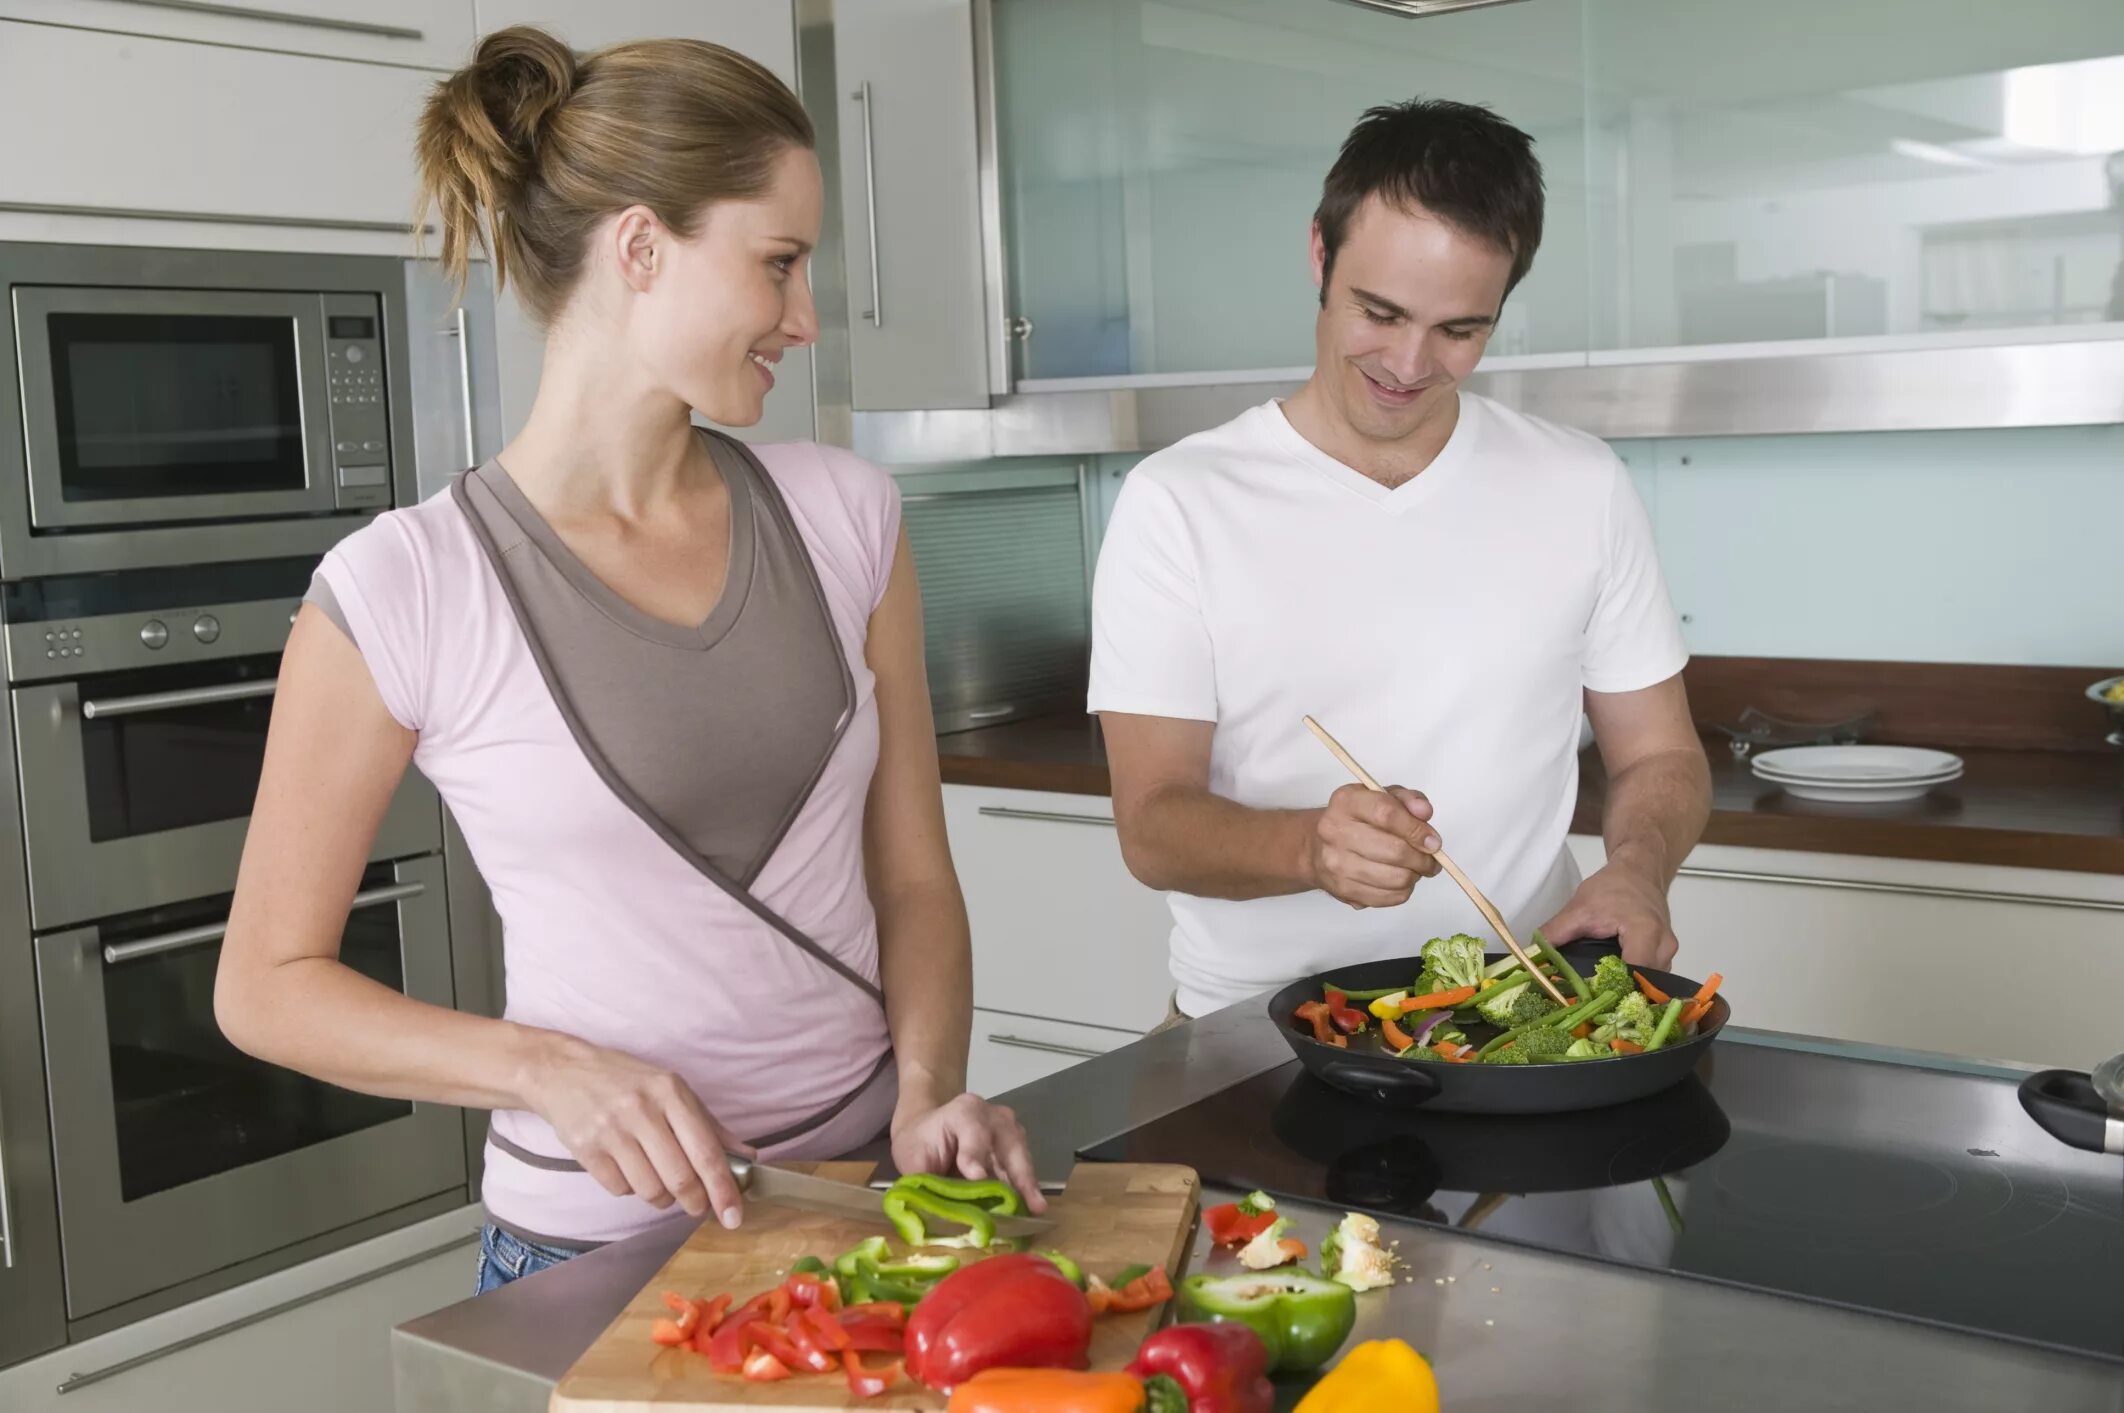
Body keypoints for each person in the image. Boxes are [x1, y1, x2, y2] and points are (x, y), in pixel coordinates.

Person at [214, 26, 1038, 1293]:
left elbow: (914, 880)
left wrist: (929, 1091)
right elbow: (266, 987)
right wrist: (544, 1068)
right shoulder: (408, 586)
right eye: (779, 264)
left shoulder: (846, 518)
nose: (806, 318)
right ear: (642, 249)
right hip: (587, 1255)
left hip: (869, 1211)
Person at [1090, 99, 1711, 1024]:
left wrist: (1636, 872)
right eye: (1379, 312)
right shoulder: (1179, 501)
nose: (1409, 363)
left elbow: (1662, 752)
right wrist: (1312, 848)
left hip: (1522, 1025)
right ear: (1319, 254)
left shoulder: (1583, 484)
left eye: (1461, 330)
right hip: (1254, 1035)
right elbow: (1153, 826)